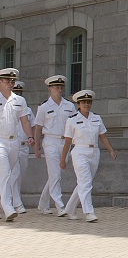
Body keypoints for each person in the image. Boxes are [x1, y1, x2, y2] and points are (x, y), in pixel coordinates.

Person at [59, 90, 117, 223]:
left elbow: (102, 136)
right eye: (83, 102)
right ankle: (89, 212)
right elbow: (67, 141)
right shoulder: (72, 120)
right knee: (85, 182)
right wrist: (63, 159)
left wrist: (111, 150)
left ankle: (70, 208)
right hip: (79, 151)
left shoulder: (96, 118)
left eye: (88, 102)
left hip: (94, 152)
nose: (86, 104)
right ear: (78, 104)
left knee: (84, 183)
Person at [33, 75, 75, 216]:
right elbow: (38, 127)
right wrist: (37, 147)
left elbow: (75, 124)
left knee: (54, 175)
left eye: (61, 87)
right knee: (56, 174)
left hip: (65, 142)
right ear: (50, 88)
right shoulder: (44, 107)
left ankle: (43, 203)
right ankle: (60, 206)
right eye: (56, 87)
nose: (59, 90)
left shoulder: (69, 106)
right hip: (50, 141)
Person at [0, 69, 35, 221]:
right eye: (7, 81)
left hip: (14, 142)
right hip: (0, 140)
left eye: (13, 81)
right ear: (0, 81)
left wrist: (30, 136)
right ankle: (8, 207)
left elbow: (25, 121)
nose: (11, 84)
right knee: (6, 172)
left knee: (4, 175)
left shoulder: (19, 101)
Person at [8, 81, 33, 215]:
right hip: (11, 143)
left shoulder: (27, 109)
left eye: (20, 92)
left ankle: (12, 199)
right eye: (15, 92)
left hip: (24, 145)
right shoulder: (6, 105)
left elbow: (31, 124)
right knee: (14, 173)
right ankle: (16, 203)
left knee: (20, 174)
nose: (18, 94)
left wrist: (32, 138)